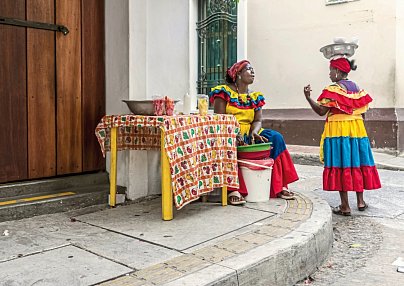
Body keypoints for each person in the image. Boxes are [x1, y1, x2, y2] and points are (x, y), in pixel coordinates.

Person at [209, 60, 299, 205]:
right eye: (248, 69)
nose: (252, 72)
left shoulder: (255, 96)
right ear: (238, 74)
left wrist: (254, 133)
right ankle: (234, 189)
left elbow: (257, 120)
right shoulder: (223, 92)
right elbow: (220, 120)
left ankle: (279, 185)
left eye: (253, 69)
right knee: (227, 143)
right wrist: (233, 133)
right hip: (229, 132)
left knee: (276, 138)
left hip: (250, 132)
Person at [303, 57, 381, 216]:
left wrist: (308, 97)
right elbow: (362, 113)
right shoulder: (357, 89)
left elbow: (321, 112)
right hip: (357, 130)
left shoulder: (332, 90)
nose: (330, 74)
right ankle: (360, 201)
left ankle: (345, 206)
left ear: (338, 71)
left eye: (331, 70)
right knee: (357, 162)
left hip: (339, 131)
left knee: (342, 163)